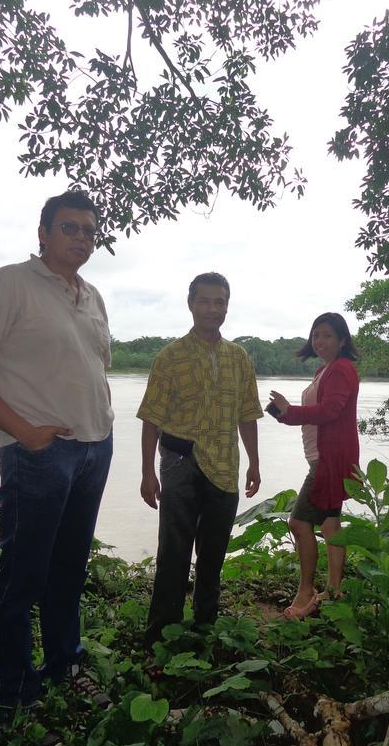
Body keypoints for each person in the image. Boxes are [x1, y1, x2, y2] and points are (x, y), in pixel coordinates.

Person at [0, 190, 114, 712]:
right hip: (39, 454)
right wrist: (22, 430)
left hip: (94, 448)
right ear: (42, 233)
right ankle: (14, 693)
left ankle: (65, 665)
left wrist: (101, 430)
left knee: (69, 569)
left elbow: (91, 367)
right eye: (69, 228)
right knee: (23, 576)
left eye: (89, 230)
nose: (81, 238)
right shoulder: (11, 283)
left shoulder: (92, 294)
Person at [137, 272, 263, 646]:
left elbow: (247, 414)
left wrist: (254, 463)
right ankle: (161, 634)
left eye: (220, 302)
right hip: (180, 463)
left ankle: (206, 627)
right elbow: (151, 420)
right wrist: (147, 472)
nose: (213, 309)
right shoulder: (170, 357)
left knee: (213, 555)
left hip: (225, 466)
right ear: (191, 304)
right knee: (173, 553)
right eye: (205, 301)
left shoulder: (239, 358)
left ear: (226, 306)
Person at [267, 312, 360, 619]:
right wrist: (285, 414)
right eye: (316, 335)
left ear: (342, 340)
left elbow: (331, 411)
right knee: (331, 525)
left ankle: (306, 589)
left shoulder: (341, 369)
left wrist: (290, 411)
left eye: (327, 335)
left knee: (298, 522)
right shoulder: (326, 369)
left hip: (329, 460)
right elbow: (319, 412)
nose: (320, 341)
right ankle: (333, 591)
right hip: (327, 455)